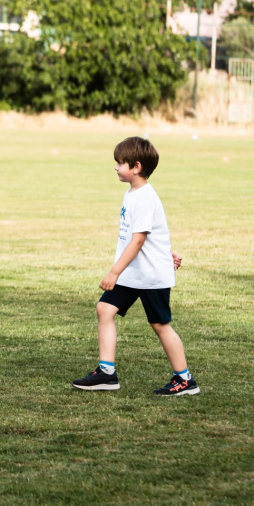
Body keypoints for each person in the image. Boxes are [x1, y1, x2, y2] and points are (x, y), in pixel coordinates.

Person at [71, 137, 197, 396]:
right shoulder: (132, 193)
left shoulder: (145, 198)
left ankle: (184, 380)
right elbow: (149, 233)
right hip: (134, 272)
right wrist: (166, 251)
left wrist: (114, 272)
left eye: (120, 163)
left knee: (160, 324)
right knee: (105, 309)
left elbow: (139, 239)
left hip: (149, 276)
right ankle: (107, 373)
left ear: (136, 167)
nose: (116, 167)